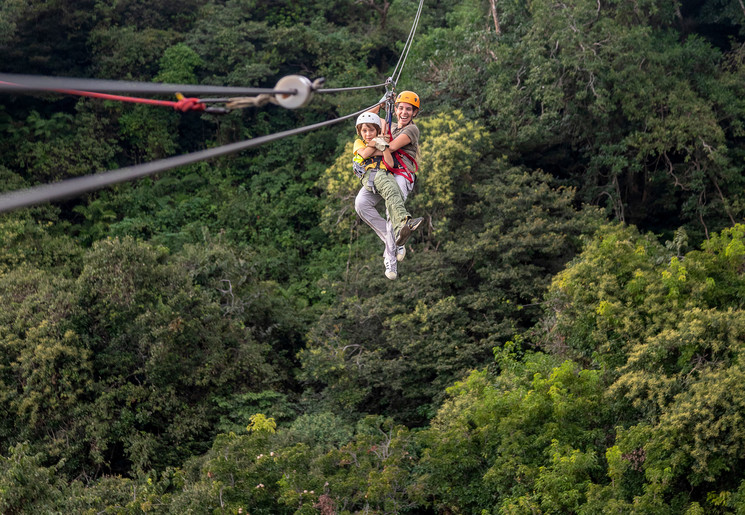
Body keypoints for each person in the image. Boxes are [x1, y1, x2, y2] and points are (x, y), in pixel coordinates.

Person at [352, 111, 423, 280]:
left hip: (383, 174)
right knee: (361, 204)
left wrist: (383, 147)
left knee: (392, 195)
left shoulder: (404, 132)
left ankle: (400, 231)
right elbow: (363, 154)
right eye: (364, 131)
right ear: (360, 133)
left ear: (377, 130)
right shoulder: (358, 142)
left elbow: (390, 162)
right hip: (369, 177)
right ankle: (398, 235)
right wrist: (377, 143)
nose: (368, 134)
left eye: (371, 131)